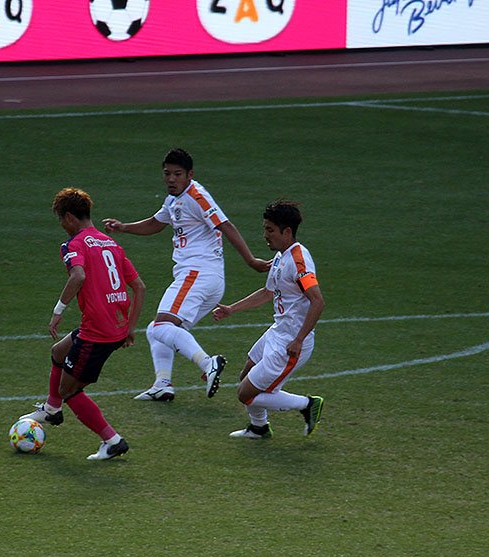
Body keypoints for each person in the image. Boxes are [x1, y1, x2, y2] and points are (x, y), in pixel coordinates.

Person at [102, 147, 269, 402]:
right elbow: (156, 223)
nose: (171, 179)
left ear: (190, 174)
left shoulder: (197, 196)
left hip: (198, 273)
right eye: (167, 173)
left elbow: (226, 225)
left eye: (177, 174)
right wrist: (124, 227)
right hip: (203, 279)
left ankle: (208, 363)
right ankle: (163, 384)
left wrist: (251, 261)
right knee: (156, 330)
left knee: (162, 326)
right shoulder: (173, 200)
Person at [20, 188, 146, 461]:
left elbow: (77, 276)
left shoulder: (74, 244)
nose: (62, 226)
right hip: (114, 326)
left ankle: (112, 441)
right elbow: (139, 286)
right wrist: (130, 328)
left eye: (61, 220)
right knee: (58, 351)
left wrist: (58, 311)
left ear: (68, 217)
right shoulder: (111, 243)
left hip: (97, 333)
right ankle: (51, 410)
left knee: (69, 390)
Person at [211, 200, 325, 438]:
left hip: (291, 342)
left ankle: (307, 404)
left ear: (287, 232)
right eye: (265, 228)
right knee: (246, 376)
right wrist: (231, 309)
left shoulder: (299, 261)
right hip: (277, 332)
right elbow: (267, 293)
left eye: (270, 230)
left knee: (246, 394)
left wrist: (298, 340)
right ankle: (259, 427)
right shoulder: (281, 257)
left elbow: (317, 301)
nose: (265, 235)